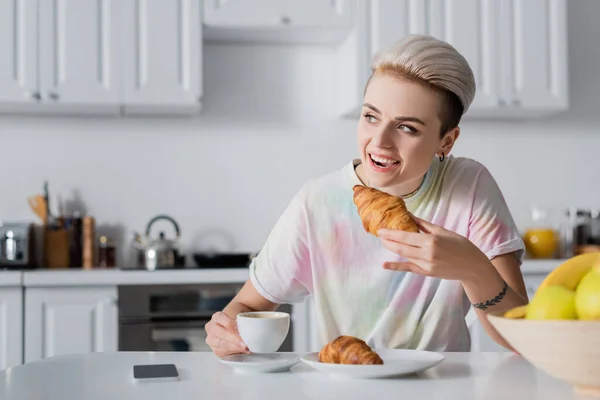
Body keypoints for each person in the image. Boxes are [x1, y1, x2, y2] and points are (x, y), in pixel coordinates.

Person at [205, 34, 529, 357]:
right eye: (371, 117)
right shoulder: (318, 201)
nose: (380, 142)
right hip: (347, 384)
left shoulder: (468, 185)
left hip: (443, 386)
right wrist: (227, 329)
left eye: (407, 128)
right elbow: (247, 304)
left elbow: (522, 337)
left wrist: (473, 269)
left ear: (446, 141)